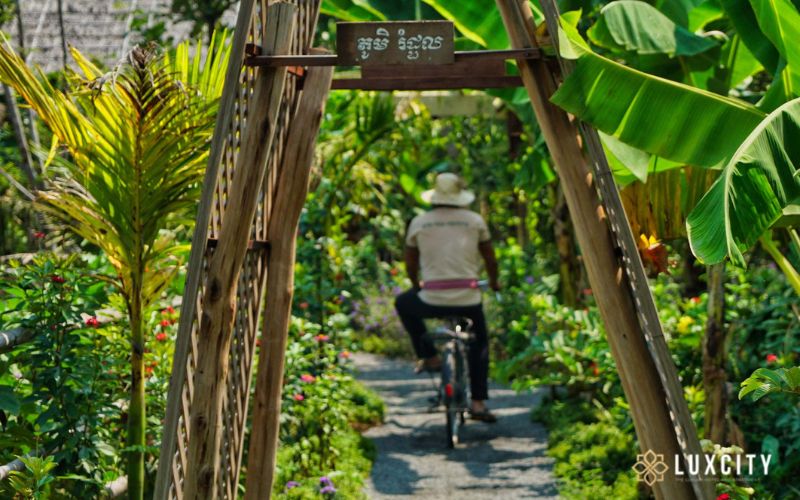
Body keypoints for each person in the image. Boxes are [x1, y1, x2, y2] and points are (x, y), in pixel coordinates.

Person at [395, 172, 500, 423]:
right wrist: (494, 282)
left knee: (403, 303)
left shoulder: (420, 222)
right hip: (468, 298)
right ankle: (478, 402)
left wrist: (415, 285)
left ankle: (429, 355)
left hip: (431, 298)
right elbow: (490, 258)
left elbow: (410, 262)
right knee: (479, 343)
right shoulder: (474, 220)